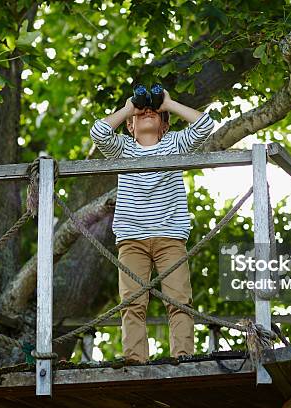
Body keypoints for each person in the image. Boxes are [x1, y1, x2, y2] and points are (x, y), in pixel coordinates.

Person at [90, 87, 215, 363]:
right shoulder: (123, 149)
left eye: (154, 113)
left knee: (179, 300)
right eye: (140, 114)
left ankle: (184, 356)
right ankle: (135, 358)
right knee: (132, 303)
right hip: (131, 239)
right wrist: (128, 108)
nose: (147, 114)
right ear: (130, 127)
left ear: (165, 124)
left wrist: (168, 103)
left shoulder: (175, 144)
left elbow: (206, 125)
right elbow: (98, 133)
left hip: (170, 237)